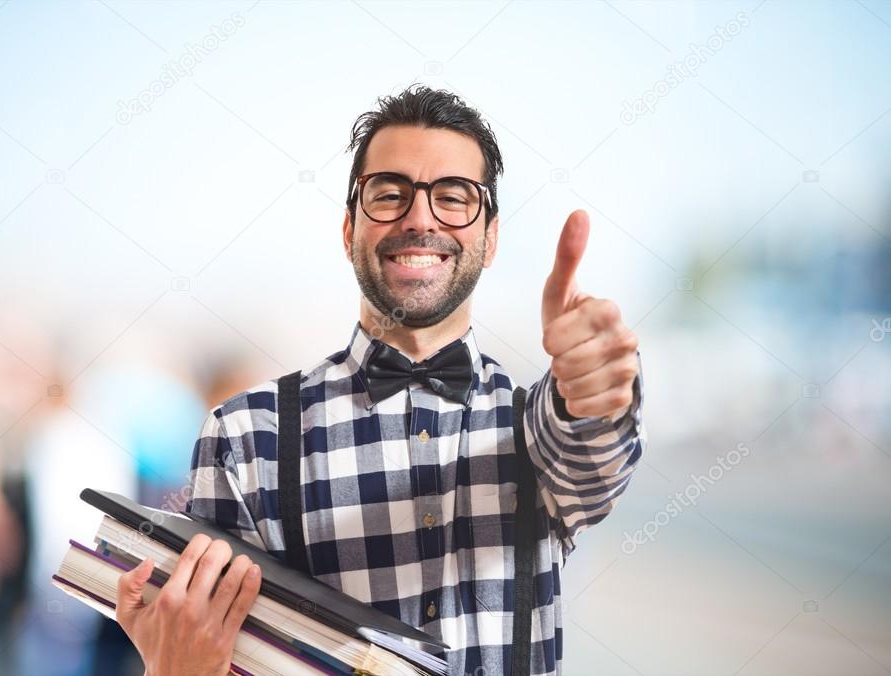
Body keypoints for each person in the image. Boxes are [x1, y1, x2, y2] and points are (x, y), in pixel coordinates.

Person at [117, 84, 646, 675]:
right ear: (349, 231)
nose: (419, 218)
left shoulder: (535, 425)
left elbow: (591, 455)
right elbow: (213, 650)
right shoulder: (244, 435)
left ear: (490, 237)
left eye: (453, 196)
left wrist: (590, 394)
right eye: (390, 194)